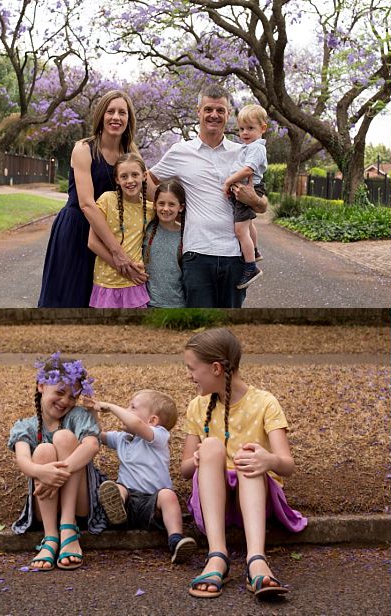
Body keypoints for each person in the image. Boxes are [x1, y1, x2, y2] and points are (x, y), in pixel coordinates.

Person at [180, 328, 307, 599]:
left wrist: (268, 459)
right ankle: (217, 556)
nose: (189, 376)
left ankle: (256, 560)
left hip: (256, 502)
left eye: (192, 368)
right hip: (215, 505)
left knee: (249, 455)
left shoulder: (265, 402)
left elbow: (287, 465)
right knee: (212, 445)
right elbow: (184, 470)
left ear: (215, 368)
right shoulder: (197, 406)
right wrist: (198, 458)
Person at [148, 85, 268, 307]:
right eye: (209, 109)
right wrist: (166, 210)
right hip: (197, 255)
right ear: (198, 111)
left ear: (228, 114)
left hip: (234, 256)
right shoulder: (180, 152)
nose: (214, 115)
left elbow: (262, 205)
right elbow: (149, 179)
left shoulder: (242, 151)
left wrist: (254, 200)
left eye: (220, 110)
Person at [38, 90, 144, 307]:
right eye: (110, 111)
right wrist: (117, 252)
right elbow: (87, 204)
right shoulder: (84, 149)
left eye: (122, 112)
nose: (116, 117)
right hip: (77, 229)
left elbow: (150, 189)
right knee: (67, 299)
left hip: (108, 233)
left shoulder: (130, 153)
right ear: (101, 116)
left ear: (129, 119)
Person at [7, 353, 107, 570]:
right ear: (41, 385)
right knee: (43, 451)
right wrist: (43, 473)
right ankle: (51, 536)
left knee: (64, 437)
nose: (65, 401)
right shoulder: (25, 426)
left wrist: (59, 474)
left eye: (73, 397)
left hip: (81, 504)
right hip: (45, 505)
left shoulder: (78, 416)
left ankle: (69, 527)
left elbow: (91, 445)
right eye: (60, 392)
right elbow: (23, 461)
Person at [83, 389, 197, 563]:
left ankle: (175, 539)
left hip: (153, 503)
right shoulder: (123, 438)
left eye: (132, 407)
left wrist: (111, 407)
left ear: (152, 421)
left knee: (168, 495)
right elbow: (97, 435)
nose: (126, 411)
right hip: (128, 499)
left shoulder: (158, 436)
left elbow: (136, 424)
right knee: (117, 488)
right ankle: (116, 515)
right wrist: (92, 410)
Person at [87, 153, 154, 308]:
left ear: (144, 176)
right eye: (124, 176)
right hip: (107, 282)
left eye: (135, 175)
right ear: (117, 179)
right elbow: (92, 242)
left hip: (135, 282)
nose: (130, 180)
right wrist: (124, 269)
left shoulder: (150, 209)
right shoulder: (106, 200)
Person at [223, 104, 268, 289]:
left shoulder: (256, 148)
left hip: (249, 188)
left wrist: (228, 182)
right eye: (241, 129)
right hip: (245, 188)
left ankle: (251, 267)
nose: (245, 133)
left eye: (250, 128)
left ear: (263, 128)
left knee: (240, 231)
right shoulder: (248, 147)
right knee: (248, 225)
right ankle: (254, 251)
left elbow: (248, 169)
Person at [143, 181, 186, 308]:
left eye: (172, 204)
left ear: (181, 207)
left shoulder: (185, 234)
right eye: (161, 203)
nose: (166, 209)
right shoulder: (147, 229)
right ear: (155, 205)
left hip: (177, 304)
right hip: (147, 302)